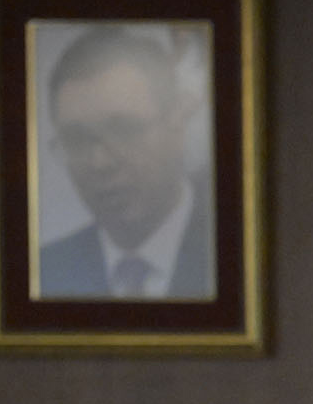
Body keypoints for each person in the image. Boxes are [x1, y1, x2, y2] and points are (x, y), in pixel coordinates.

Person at [38, 26, 213, 300]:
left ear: (176, 124)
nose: (100, 162)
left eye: (124, 130)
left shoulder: (233, 250)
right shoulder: (44, 272)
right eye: (77, 140)